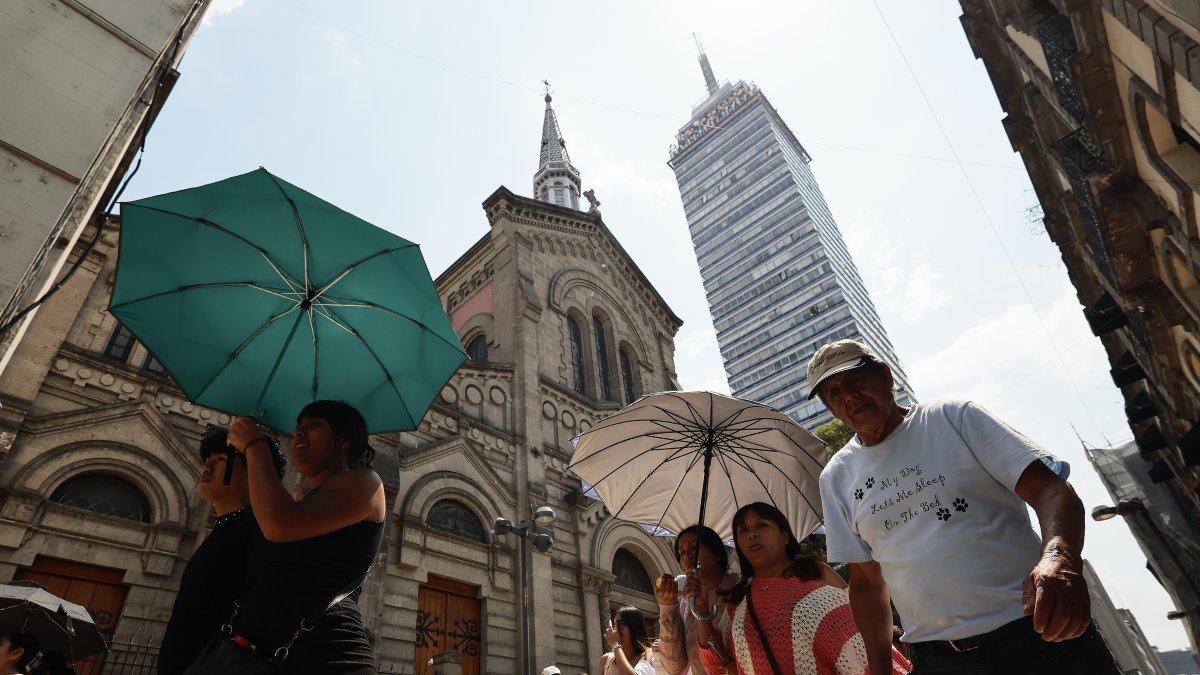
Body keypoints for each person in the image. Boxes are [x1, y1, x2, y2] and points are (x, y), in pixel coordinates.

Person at [810, 339, 1120, 674]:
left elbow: (1052, 490)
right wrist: (881, 668)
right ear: (831, 410)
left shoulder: (953, 418)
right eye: (834, 393)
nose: (848, 397)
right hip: (940, 661)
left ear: (885, 376)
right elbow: (868, 584)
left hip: (1040, 635)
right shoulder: (836, 478)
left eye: (855, 381)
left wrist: (1059, 559)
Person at [224, 400, 386, 674]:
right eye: (298, 427)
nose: (299, 432)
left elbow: (280, 524)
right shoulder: (302, 503)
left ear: (344, 441)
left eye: (314, 425)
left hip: (329, 658)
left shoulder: (366, 482)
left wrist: (255, 445)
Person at [696, 502, 908, 674]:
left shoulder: (818, 574)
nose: (752, 534)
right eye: (744, 530)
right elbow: (715, 667)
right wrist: (702, 611)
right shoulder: (739, 600)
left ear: (785, 535)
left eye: (761, 525)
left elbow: (860, 633)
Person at [158, 428, 284, 675]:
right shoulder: (228, 527)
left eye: (220, 461)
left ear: (255, 470)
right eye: (207, 462)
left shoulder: (259, 532)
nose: (206, 469)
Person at [599, 607, 656, 675]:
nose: (615, 630)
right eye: (614, 625)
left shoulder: (649, 655)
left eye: (621, 624)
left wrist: (615, 645)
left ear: (634, 628)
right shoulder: (606, 660)